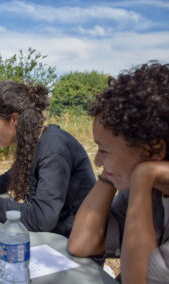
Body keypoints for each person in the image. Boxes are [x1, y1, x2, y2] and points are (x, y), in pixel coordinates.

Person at [68, 62, 169, 283]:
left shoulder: (144, 185)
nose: (96, 160)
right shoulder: (149, 191)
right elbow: (81, 243)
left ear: (155, 149)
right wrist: (110, 174)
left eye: (104, 150)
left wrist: (143, 175)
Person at [0, 81, 96, 237]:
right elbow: (12, 175)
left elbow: (42, 217)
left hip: (74, 243)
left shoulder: (54, 147)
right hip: (54, 237)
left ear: (14, 119)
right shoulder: (34, 142)